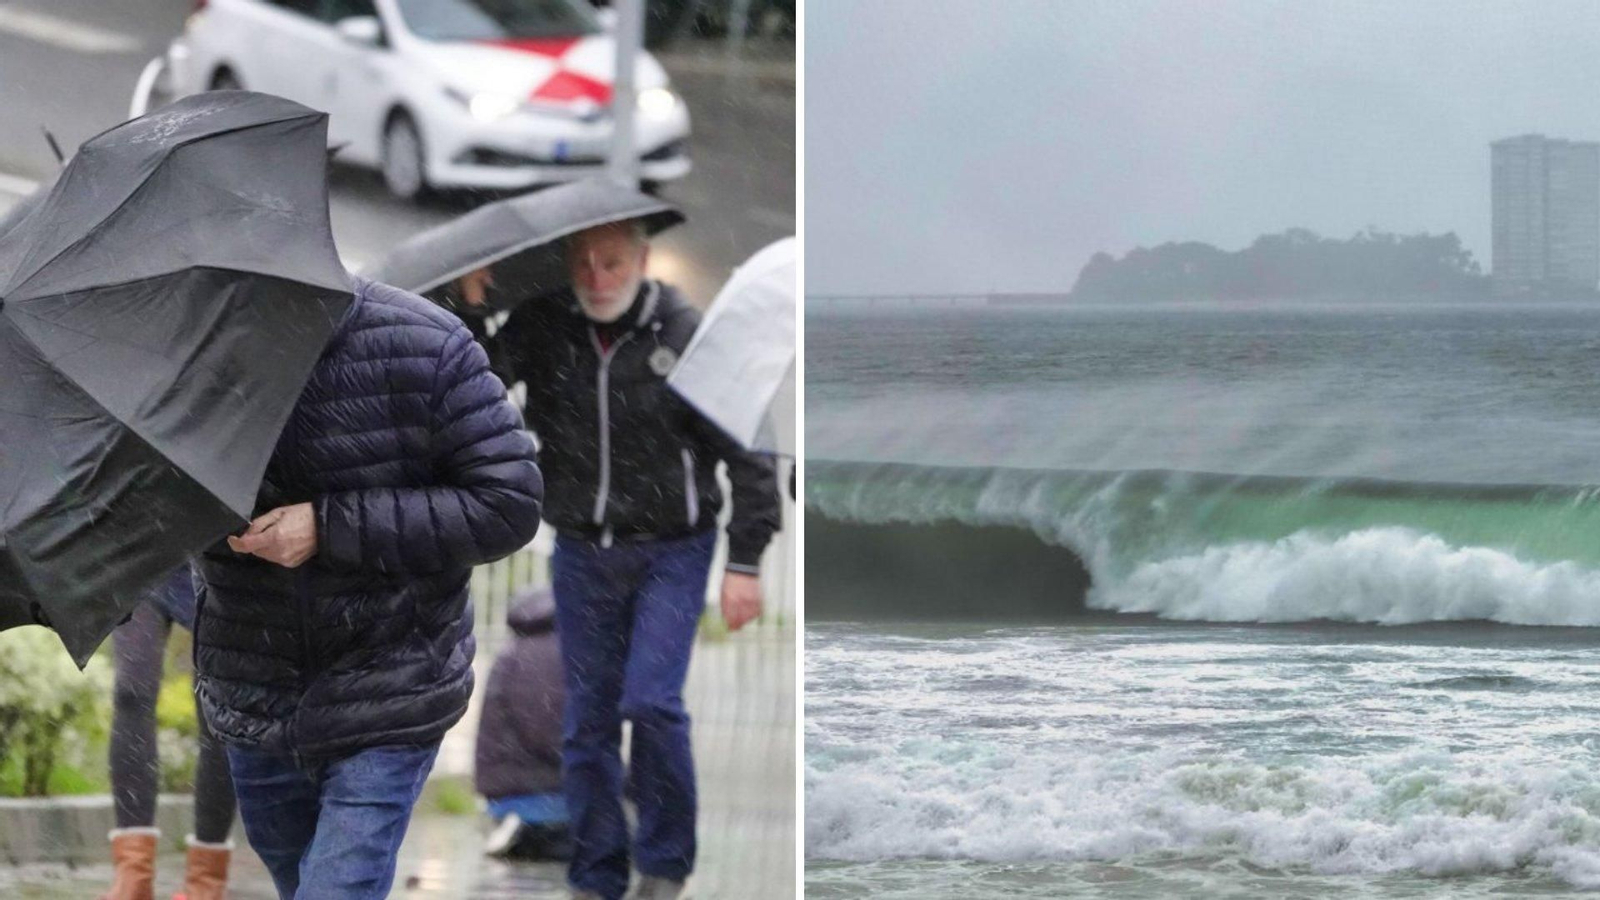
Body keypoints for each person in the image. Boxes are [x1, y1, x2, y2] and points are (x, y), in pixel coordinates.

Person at [190, 275, 544, 900]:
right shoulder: (183, 350)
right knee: (298, 880)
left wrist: (328, 526)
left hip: (390, 684)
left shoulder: (425, 346)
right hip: (254, 688)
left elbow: (507, 502)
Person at [488, 220, 782, 900]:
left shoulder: (686, 333)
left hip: (673, 551)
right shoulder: (544, 324)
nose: (597, 276)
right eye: (584, 261)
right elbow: (472, 376)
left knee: (651, 702)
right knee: (586, 723)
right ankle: (596, 877)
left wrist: (745, 562)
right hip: (583, 550)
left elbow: (749, 447)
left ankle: (665, 865)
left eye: (613, 261)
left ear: (643, 260)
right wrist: (473, 306)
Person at [101, 567, 236, 900]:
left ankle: (207, 877)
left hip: (213, 555)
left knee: (215, 704)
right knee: (131, 691)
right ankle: (133, 872)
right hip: (144, 550)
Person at [474, 587, 572, 862]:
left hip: (505, 797)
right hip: (544, 800)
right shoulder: (560, 652)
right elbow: (550, 733)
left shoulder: (513, 651)